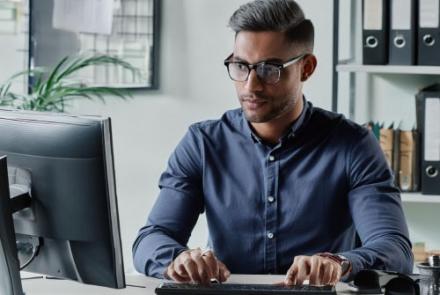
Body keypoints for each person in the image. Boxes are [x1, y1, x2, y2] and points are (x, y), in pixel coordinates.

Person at [133, 0, 413, 286]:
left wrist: (339, 263)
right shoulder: (203, 143)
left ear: (306, 68)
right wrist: (178, 260)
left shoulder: (353, 145)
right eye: (241, 66)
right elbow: (151, 239)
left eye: (269, 69)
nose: (250, 85)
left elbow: (394, 249)